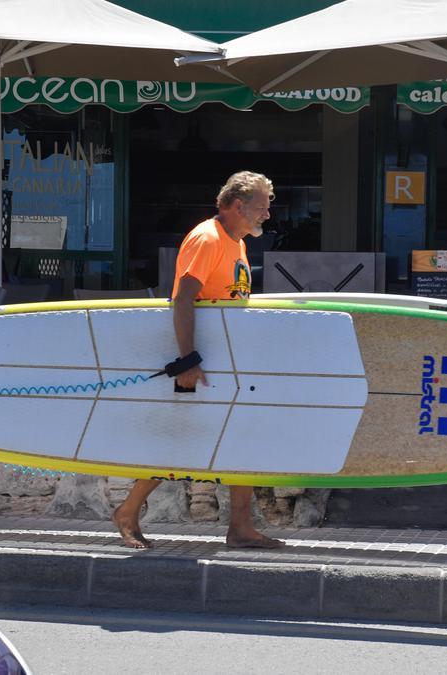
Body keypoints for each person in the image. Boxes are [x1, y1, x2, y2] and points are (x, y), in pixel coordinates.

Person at [112, 171, 284, 550]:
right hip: (199, 365)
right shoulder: (208, 239)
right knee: (180, 444)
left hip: (226, 364)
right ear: (238, 206)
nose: (267, 215)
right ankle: (127, 511)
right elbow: (183, 299)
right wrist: (188, 360)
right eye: (261, 207)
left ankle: (240, 527)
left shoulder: (235, 242)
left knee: (244, 439)